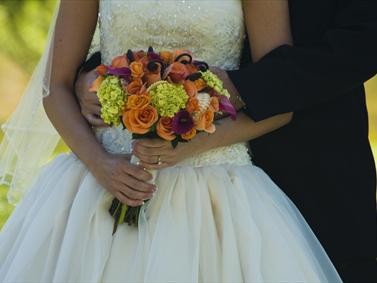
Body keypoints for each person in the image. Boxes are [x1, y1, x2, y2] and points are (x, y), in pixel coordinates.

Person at [0, 0, 342, 282]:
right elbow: (54, 88)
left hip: (217, 189)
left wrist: (197, 143)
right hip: (104, 182)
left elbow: (279, 104)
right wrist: (101, 165)